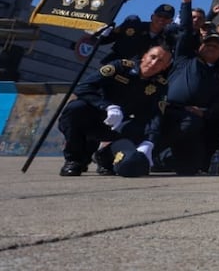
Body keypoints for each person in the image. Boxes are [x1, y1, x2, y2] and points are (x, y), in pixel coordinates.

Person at [57, 45, 172, 176]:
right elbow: (83, 87)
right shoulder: (120, 67)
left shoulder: (160, 85)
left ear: (165, 67)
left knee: (142, 128)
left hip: (117, 125)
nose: (154, 63)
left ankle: (105, 157)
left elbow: (156, 114)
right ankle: (74, 161)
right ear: (144, 56)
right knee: (75, 108)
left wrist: (149, 142)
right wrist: (107, 106)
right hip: (93, 116)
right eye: (152, 57)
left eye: (161, 61)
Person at [157, 0, 219, 175]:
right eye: (208, 45)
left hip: (192, 118)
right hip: (166, 108)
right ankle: (156, 152)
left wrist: (204, 112)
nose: (211, 48)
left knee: (189, 167)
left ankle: (168, 157)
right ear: (199, 47)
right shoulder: (185, 57)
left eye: (216, 46)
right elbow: (186, 29)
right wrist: (186, 4)